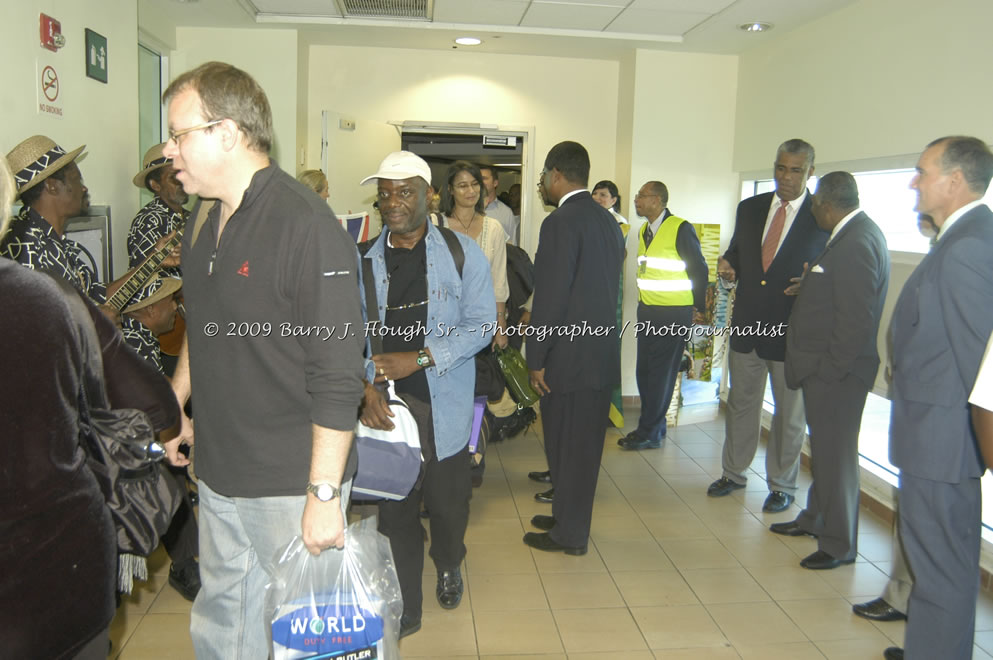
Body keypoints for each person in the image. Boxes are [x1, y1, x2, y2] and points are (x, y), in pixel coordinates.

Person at [160, 61, 366, 659]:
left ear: (225, 133)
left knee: (306, 638)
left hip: (289, 482)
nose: (170, 152)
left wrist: (324, 495)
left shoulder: (306, 225)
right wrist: (176, 404)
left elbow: (338, 372)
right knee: (226, 625)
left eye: (180, 135)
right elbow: (203, 321)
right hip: (220, 471)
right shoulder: (201, 217)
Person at [0, 152, 180, 659]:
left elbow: (97, 302)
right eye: (75, 178)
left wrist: (137, 282)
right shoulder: (34, 272)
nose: (84, 186)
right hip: (56, 549)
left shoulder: (55, 256)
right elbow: (145, 395)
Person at [357, 151, 494, 636]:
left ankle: (450, 560)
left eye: (405, 192)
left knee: (448, 502)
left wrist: (419, 357)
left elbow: (482, 325)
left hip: (445, 402)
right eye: (386, 194)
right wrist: (366, 386)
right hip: (387, 404)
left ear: (428, 195)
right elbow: (344, 334)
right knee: (395, 507)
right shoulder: (361, 259)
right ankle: (407, 604)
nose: (393, 202)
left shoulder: (460, 253)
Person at [884, 136, 993, 660]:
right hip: (935, 437)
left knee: (941, 573)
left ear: (955, 181)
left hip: (943, 442)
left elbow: (980, 365)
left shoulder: (970, 245)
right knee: (936, 571)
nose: (913, 181)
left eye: (922, 172)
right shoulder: (961, 237)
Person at [771, 172, 890, 570]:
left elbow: (856, 320)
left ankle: (839, 544)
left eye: (814, 204)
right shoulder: (851, 233)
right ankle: (815, 519)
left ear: (826, 204)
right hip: (830, 371)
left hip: (838, 375)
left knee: (836, 460)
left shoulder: (857, 240)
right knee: (823, 453)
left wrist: (830, 371)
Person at [707, 138, 829, 513]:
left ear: (810, 171)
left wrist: (814, 282)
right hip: (747, 326)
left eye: (795, 170)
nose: (786, 177)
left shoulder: (821, 214)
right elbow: (737, 253)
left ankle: (782, 484)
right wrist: (728, 266)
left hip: (791, 332)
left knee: (789, 413)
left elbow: (831, 270)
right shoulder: (751, 207)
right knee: (741, 403)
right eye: (780, 168)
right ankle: (734, 472)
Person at [523, 141, 624, 555]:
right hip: (598, 354)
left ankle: (571, 535)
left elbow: (551, 297)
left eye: (544, 176)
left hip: (568, 356)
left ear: (556, 175)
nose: (543, 184)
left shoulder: (561, 221)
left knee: (571, 447)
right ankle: (566, 515)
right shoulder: (606, 220)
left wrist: (537, 357)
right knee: (574, 447)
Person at [1, 136, 178, 312]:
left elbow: (99, 295)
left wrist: (155, 259)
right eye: (77, 180)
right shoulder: (21, 243)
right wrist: (92, 323)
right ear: (52, 186)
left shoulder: (64, 246)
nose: (84, 188)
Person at [119, 275, 201, 600]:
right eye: (171, 301)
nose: (175, 308)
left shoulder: (139, 335)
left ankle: (189, 557)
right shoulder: (133, 341)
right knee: (169, 471)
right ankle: (184, 565)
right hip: (131, 440)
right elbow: (160, 395)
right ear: (150, 308)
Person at [618, 181, 708, 451]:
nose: (636, 200)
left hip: (673, 313)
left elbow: (699, 269)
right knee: (644, 371)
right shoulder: (645, 229)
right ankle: (653, 427)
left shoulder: (680, 227)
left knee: (660, 374)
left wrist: (698, 308)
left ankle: (649, 432)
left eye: (641, 196)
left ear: (657, 200)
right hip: (648, 311)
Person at [439, 160, 509, 347]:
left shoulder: (494, 228)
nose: (470, 191)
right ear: (450, 190)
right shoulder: (436, 226)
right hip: (441, 322)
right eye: (462, 186)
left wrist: (500, 325)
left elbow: (499, 281)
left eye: (475, 184)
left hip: (482, 320)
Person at [128, 142, 188, 280]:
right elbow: (141, 281)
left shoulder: (190, 217)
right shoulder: (147, 222)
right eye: (174, 176)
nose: (183, 180)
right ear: (155, 185)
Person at [479, 164, 517, 243]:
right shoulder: (468, 209)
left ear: (495, 183)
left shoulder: (506, 212)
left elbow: (512, 246)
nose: (480, 182)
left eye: (484, 178)